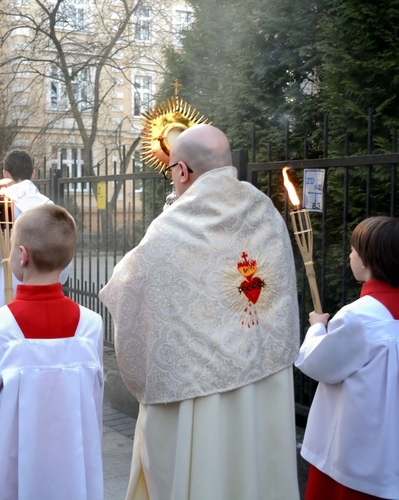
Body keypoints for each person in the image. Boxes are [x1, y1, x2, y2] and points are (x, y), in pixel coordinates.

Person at [99, 124, 301, 499]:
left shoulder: (172, 228)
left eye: (171, 171)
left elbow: (126, 287)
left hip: (199, 390)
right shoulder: (265, 210)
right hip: (262, 376)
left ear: (181, 171)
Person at [0, 204, 104, 500]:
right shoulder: (91, 325)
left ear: (21, 255)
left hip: (11, 466)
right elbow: (92, 400)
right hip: (73, 464)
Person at [295, 216, 399, 499]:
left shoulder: (359, 316)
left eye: (353, 249)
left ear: (368, 260)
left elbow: (318, 363)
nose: (350, 255)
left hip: (355, 457)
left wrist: (316, 328)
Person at [0, 149, 70, 312]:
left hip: (5, 282)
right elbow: (62, 256)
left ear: (5, 173)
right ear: (33, 174)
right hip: (42, 286)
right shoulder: (48, 206)